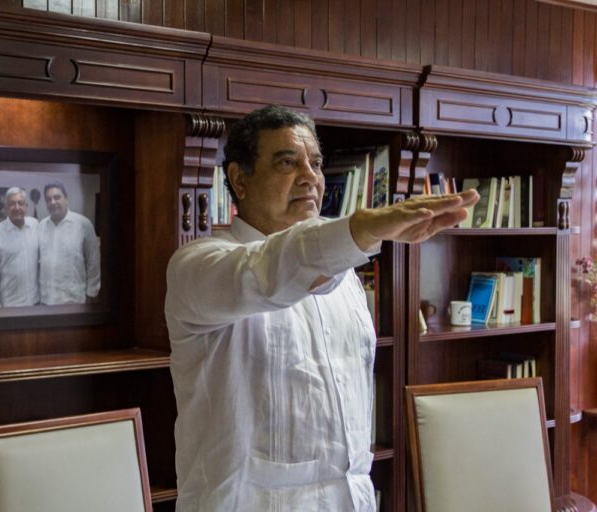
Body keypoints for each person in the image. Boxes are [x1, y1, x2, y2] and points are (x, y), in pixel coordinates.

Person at [165, 105, 479, 511]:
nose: (310, 177)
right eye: (286, 162)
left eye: (315, 163)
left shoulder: (344, 275)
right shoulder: (199, 265)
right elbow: (267, 271)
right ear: (239, 179)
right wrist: (361, 228)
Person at [37, 182, 100, 305]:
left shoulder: (83, 225)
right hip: (46, 301)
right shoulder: (40, 227)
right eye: (48, 199)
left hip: (74, 302)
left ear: (66, 199)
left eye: (57, 197)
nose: (53, 202)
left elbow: (94, 264)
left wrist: (91, 296)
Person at [0, 187, 40, 307]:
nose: (17, 208)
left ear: (26, 206)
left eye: (20, 203)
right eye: (12, 204)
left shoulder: (35, 225)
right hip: (10, 305)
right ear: (5, 208)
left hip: (35, 302)